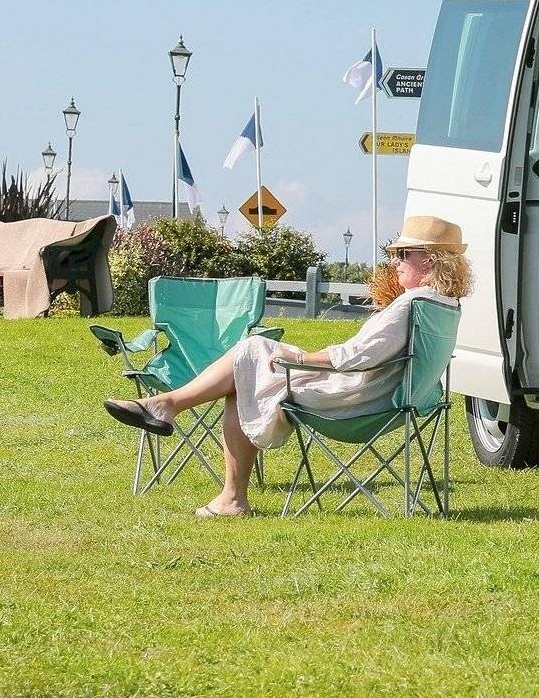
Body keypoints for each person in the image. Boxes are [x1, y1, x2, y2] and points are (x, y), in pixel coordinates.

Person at [105, 215, 470, 518]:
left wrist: (301, 359)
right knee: (248, 365)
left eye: (403, 252)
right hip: (390, 401)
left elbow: (357, 355)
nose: (394, 260)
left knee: (249, 358)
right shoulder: (443, 306)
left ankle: (183, 427)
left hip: (354, 401)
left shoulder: (410, 305)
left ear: (431, 260)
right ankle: (180, 424)